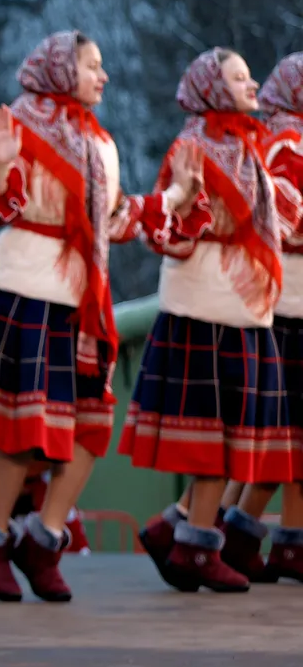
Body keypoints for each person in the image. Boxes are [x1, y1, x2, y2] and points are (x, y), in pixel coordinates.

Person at [0, 31, 198, 605]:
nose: (103, 75)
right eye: (93, 65)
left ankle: (44, 537)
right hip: (26, 289)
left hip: (81, 296)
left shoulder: (100, 144)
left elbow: (112, 219)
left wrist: (173, 200)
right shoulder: (20, 123)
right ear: (64, 70)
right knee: (27, 425)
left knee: (89, 424)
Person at [126, 48, 300, 592]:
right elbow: (182, 223)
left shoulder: (248, 142)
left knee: (240, 430)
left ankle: (192, 533)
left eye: (252, 77)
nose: (252, 87)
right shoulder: (208, 144)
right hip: (219, 300)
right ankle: (198, 542)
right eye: (238, 77)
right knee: (221, 430)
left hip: (244, 303)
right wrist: (180, 201)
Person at [218, 52, 303, 583]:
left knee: (281, 433)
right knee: (287, 434)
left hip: (283, 299)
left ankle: (237, 531)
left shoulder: (274, 135)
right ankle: (279, 542)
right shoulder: (288, 140)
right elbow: (283, 220)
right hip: (292, 299)